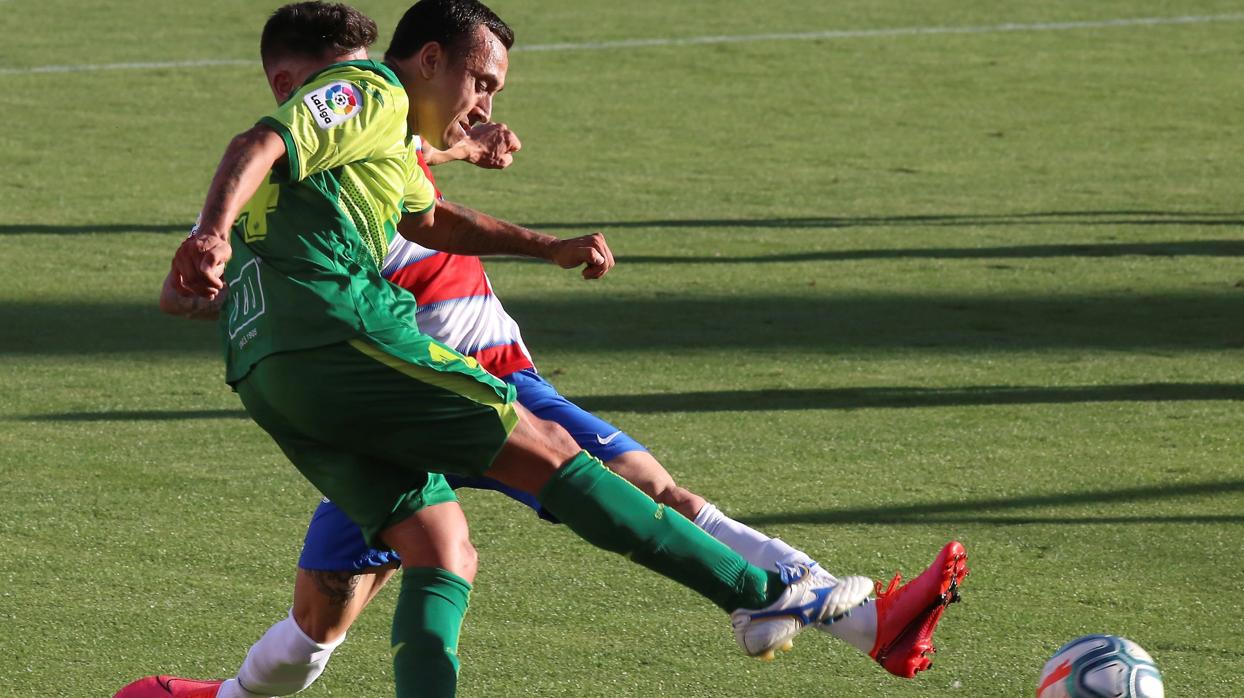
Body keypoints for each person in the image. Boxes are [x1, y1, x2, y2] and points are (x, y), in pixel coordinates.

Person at [119, 2, 966, 696]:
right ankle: (769, 595)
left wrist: (543, 239)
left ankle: (227, 696)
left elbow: (426, 213)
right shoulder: (363, 94)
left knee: (432, 554)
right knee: (573, 461)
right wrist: (206, 236)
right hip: (361, 350)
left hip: (271, 372)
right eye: (479, 79)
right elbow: (261, 144)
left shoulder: (369, 151)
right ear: (428, 60)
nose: (486, 99)